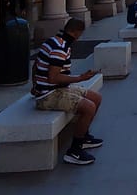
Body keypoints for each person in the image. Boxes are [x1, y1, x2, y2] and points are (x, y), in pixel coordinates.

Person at [31, 18, 103, 165]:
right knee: (89, 107)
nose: (79, 38)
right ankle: (74, 151)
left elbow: (35, 66)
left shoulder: (54, 41)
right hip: (49, 94)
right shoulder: (60, 48)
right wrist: (80, 78)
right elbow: (53, 78)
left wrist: (34, 86)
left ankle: (84, 136)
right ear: (75, 32)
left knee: (96, 98)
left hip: (54, 89)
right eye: (79, 34)